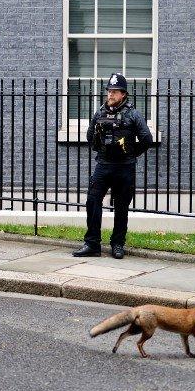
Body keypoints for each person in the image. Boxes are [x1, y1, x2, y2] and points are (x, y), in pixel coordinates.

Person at [73, 73, 154, 259]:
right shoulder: (100, 112)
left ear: (123, 94)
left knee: (121, 207)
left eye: (115, 92)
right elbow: (89, 136)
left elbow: (147, 139)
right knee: (93, 201)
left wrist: (132, 153)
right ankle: (92, 244)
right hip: (103, 165)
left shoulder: (133, 114)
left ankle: (118, 244)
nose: (111, 95)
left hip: (124, 167)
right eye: (109, 91)